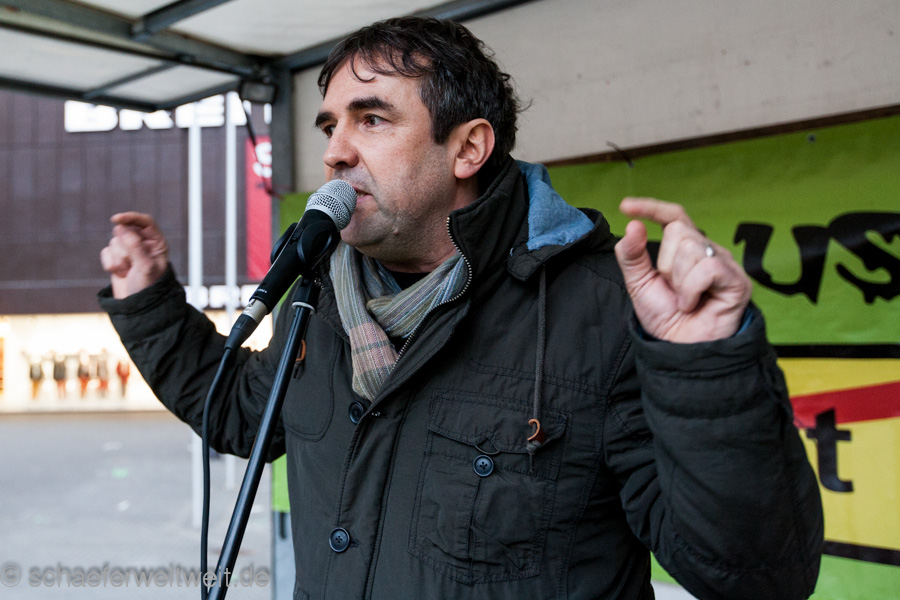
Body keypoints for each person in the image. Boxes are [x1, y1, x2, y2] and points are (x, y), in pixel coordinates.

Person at [99, 17, 822, 600]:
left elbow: (755, 577)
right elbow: (237, 412)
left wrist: (708, 368)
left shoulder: (602, 307)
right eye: (328, 127)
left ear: (468, 149)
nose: (336, 153)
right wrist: (149, 302)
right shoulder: (319, 296)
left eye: (372, 119)